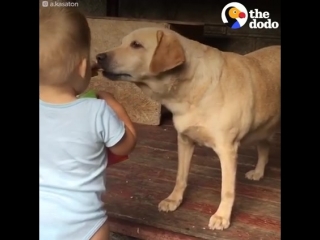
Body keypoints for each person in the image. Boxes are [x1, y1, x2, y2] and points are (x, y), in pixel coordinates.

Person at [39, 5, 137, 240]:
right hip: (85, 224)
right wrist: (114, 105)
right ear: (83, 66)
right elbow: (125, 145)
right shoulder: (97, 110)